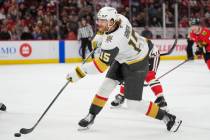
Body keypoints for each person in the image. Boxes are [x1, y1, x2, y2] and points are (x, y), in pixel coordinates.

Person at [66, 7, 182, 132]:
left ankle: (167, 117)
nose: (99, 23)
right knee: (105, 86)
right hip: (125, 57)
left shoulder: (113, 41)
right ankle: (91, 115)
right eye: (99, 20)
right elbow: (108, 31)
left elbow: (100, 66)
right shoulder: (121, 18)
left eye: (102, 21)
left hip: (137, 64)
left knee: (133, 104)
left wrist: (79, 72)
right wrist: (100, 36)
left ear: (111, 22)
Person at [111, 39, 167, 110]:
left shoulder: (129, 48)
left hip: (152, 55)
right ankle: (121, 96)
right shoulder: (123, 48)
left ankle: (161, 99)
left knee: (149, 76)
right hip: (140, 56)